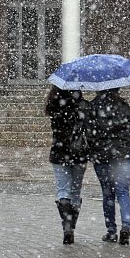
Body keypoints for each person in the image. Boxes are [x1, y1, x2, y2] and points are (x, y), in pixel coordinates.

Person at [87, 88, 130, 246]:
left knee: (108, 193)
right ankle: (126, 226)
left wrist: (96, 146)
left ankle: (111, 231)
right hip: (123, 154)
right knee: (123, 191)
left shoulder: (93, 106)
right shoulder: (123, 105)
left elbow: (89, 133)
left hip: (102, 155)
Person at [45, 85, 89, 245]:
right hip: (79, 153)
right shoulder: (83, 106)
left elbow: (56, 129)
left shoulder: (54, 105)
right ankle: (71, 226)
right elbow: (89, 129)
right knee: (75, 190)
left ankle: (67, 227)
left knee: (63, 190)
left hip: (59, 152)